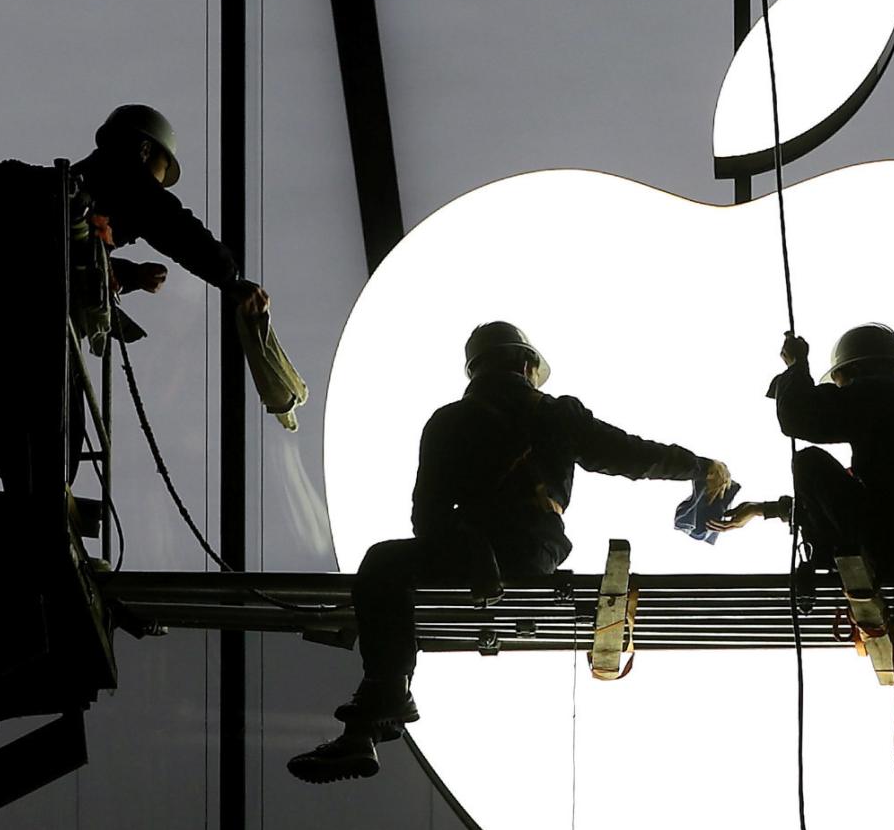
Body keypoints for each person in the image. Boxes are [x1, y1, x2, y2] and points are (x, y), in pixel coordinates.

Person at [288, 321, 733, 783]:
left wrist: (470, 549)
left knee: (384, 564)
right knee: (391, 564)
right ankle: (372, 717)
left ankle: (386, 695)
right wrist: (696, 466)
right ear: (526, 365)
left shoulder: (447, 421)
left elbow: (426, 516)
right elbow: (629, 455)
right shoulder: (554, 415)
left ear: (475, 371)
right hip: (530, 554)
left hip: (468, 552)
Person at [0, 104, 269, 493]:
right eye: (158, 175)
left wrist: (128, 274)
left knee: (31, 447)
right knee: (49, 446)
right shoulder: (121, 181)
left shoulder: (54, 196)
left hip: (18, 333)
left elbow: (73, 258)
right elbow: (170, 223)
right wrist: (230, 279)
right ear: (143, 151)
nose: (155, 188)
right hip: (39, 337)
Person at [712, 324, 894, 818]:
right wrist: (767, 510)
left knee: (810, 464)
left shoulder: (880, 392)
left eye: (838, 382)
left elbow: (802, 421)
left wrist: (795, 368)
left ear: (852, 372)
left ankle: (829, 568)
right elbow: (857, 490)